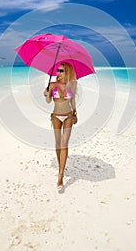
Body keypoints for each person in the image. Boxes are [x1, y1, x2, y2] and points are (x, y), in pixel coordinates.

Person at [44, 62, 77, 190]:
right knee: (58, 144)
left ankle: (60, 175)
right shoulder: (52, 84)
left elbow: (73, 100)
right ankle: (61, 166)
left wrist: (75, 113)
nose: (58, 73)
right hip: (56, 116)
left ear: (67, 72)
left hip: (68, 115)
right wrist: (48, 92)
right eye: (57, 70)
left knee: (64, 143)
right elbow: (48, 101)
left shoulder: (72, 84)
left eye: (61, 71)